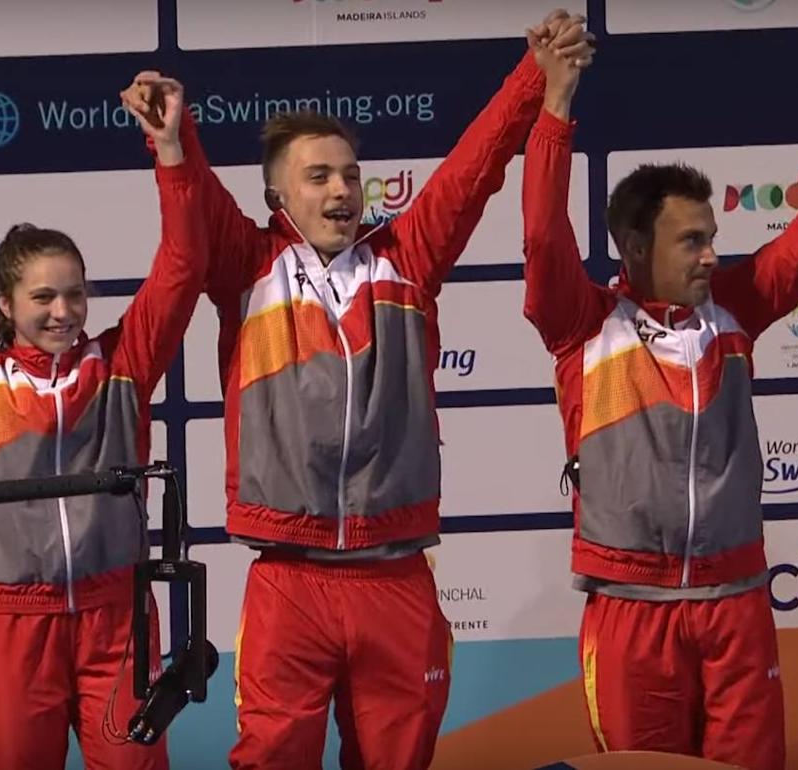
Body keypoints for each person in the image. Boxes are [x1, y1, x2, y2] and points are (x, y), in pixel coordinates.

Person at [119, 11, 595, 770]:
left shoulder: (408, 257)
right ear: (280, 195)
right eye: (319, 176)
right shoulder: (248, 267)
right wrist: (171, 142)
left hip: (395, 575)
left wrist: (534, 76)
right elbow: (198, 206)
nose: (342, 188)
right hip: (289, 581)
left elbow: (476, 166)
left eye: (349, 174)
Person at [520, 43, 798, 769]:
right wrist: (554, 109)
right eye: (692, 241)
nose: (712, 256)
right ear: (632, 246)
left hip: (738, 604)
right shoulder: (583, 325)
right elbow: (540, 235)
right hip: (630, 611)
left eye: (712, 238)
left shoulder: (735, 313)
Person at [0, 79, 208, 770]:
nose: (64, 310)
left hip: (115, 618)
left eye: (75, 293)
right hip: (15, 627)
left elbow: (184, 267)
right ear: (5, 304)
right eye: (43, 296)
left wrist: (170, 149)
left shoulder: (123, 364)